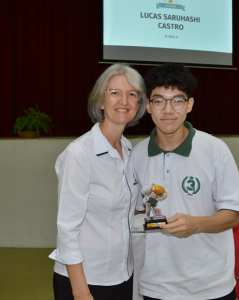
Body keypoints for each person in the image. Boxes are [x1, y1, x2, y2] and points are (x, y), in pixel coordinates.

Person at [132, 63, 239, 300]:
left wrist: (196, 224)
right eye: (159, 101)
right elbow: (138, 213)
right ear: (148, 107)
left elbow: (233, 214)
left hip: (210, 284)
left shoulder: (214, 149)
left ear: (190, 105)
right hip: (157, 284)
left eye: (177, 100)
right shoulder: (137, 154)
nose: (168, 110)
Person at [49, 63, 147, 300]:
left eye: (131, 94)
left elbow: (127, 210)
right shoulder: (79, 154)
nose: (123, 100)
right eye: (114, 93)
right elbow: (67, 229)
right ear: (101, 102)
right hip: (86, 281)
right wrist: (81, 292)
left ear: (138, 104)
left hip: (122, 275)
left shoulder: (127, 149)